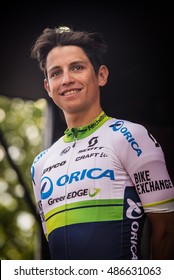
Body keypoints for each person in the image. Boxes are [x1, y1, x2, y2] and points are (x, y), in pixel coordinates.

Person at [30, 25, 174, 260]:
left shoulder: (130, 136)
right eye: (56, 73)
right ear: (48, 87)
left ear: (101, 75)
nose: (66, 79)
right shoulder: (40, 164)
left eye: (77, 67)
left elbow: (167, 229)